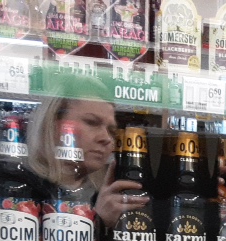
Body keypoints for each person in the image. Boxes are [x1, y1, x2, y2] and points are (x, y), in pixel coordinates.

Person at [26, 81, 148, 230]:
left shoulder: (103, 196)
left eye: (112, 131)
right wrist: (99, 222)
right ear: (52, 125)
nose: (106, 138)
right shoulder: (18, 188)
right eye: (92, 122)